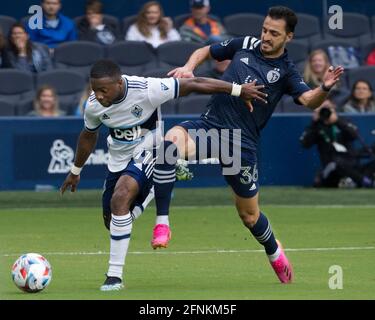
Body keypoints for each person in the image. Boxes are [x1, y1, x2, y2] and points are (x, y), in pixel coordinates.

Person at [152, 6, 344, 284]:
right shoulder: (245, 44)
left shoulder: (287, 72)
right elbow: (206, 50)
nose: (265, 36)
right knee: (169, 144)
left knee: (249, 216)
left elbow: (308, 100)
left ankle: (274, 250)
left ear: (288, 37)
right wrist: (188, 67)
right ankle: (162, 223)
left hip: (240, 146)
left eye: (274, 33)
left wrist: (324, 88)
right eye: (265, 29)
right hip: (209, 128)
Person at [59, 59, 268, 291]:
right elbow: (88, 135)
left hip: (150, 151)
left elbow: (194, 83)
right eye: (94, 89)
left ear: (119, 83)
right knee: (114, 221)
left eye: (103, 90)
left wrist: (238, 90)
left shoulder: (147, 89)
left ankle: (114, 276)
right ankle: (161, 180)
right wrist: (75, 171)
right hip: (118, 161)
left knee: (121, 198)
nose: (98, 95)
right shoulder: (94, 105)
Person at [300, 105, 374, 188]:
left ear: (334, 110)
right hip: (332, 168)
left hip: (353, 165)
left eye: (328, 109)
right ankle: (366, 182)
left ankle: (358, 180)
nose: (325, 112)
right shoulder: (316, 127)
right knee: (337, 163)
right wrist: (314, 123)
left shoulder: (343, 122)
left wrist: (338, 121)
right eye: (321, 109)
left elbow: (355, 135)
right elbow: (304, 143)